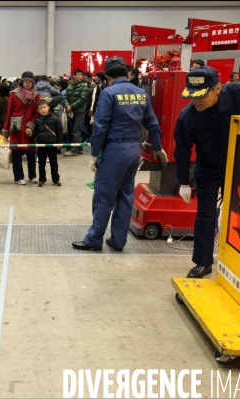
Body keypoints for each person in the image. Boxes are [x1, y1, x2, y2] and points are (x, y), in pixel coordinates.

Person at [72, 56, 168, 252]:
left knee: (104, 197)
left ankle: (94, 240)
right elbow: (152, 123)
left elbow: (100, 127)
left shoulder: (109, 93)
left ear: (107, 76)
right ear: (127, 73)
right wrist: (157, 147)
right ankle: (118, 241)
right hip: (133, 151)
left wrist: (95, 154)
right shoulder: (141, 94)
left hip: (114, 151)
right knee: (125, 197)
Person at [174, 66, 240, 278]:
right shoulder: (187, 118)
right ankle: (203, 262)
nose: (197, 101)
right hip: (209, 168)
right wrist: (184, 182)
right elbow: (182, 152)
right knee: (205, 214)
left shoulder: (239, 94)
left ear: (217, 89)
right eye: (193, 96)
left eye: (202, 95)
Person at [2, 71, 40, 184]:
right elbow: (8, 113)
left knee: (31, 154)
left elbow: (37, 113)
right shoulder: (14, 94)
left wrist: (31, 125)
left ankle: (32, 176)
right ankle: (18, 177)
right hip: (16, 128)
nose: (28, 84)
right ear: (21, 81)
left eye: (30, 82)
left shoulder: (36, 96)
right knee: (16, 155)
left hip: (29, 130)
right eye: (26, 81)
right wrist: (6, 130)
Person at [32, 99, 63, 187]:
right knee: (41, 164)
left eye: (44, 107)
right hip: (41, 145)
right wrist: (30, 133)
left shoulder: (55, 119)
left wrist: (59, 143)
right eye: (40, 108)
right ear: (38, 110)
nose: (43, 110)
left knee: (54, 163)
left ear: (48, 108)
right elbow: (36, 132)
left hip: (52, 144)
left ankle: (56, 179)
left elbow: (60, 131)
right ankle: (42, 179)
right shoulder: (37, 121)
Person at [64, 68, 89, 156]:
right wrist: (67, 105)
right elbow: (66, 97)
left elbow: (82, 99)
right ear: (74, 76)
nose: (81, 76)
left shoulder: (84, 87)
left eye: (82, 75)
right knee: (72, 130)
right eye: (79, 75)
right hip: (70, 111)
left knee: (76, 131)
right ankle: (79, 148)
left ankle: (73, 150)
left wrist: (72, 106)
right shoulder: (70, 86)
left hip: (79, 111)